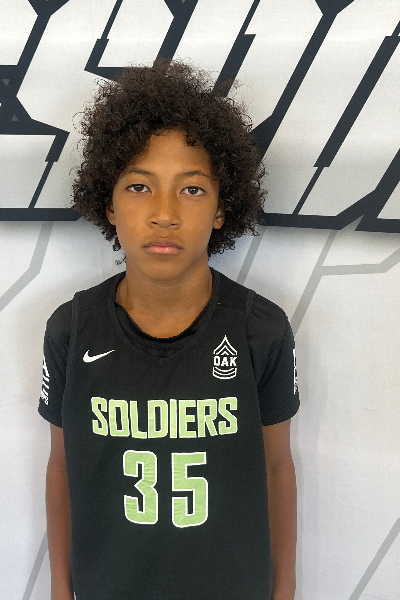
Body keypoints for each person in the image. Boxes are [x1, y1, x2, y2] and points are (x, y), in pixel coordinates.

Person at [38, 59, 299, 600]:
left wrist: (285, 589)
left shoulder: (261, 330)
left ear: (223, 208)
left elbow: (276, 468)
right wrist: (61, 589)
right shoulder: (72, 330)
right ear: (109, 204)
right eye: (139, 186)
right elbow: (62, 468)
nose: (164, 213)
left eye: (192, 189)